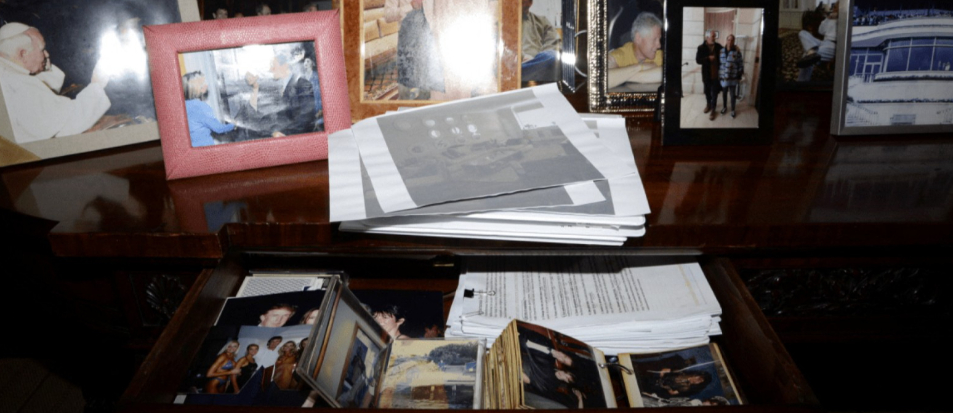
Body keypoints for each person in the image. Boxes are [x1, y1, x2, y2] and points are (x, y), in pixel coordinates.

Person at [0, 22, 111, 144]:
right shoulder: (21, 87)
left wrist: (45, 68)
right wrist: (97, 84)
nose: (46, 54)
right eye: (42, 50)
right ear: (23, 53)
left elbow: (41, 96)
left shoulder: (7, 71)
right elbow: (70, 122)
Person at [245, 50, 317, 137]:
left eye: (273, 65)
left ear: (285, 65)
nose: (270, 69)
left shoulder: (303, 84)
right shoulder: (282, 87)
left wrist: (285, 133)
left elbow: (306, 117)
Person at [395, 0, 444, 100]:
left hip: (426, 40)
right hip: (407, 42)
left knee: (426, 87)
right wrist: (410, 6)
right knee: (406, 85)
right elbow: (388, 15)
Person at [606, 12, 663, 90]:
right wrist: (640, 66)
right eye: (654, 39)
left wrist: (623, 76)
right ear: (638, 38)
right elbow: (604, 79)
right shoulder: (621, 54)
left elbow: (666, 74)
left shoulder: (659, 55)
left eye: (659, 39)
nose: (659, 45)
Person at [182, 71, 234, 147]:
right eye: (203, 83)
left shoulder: (182, 106)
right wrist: (234, 124)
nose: (206, 85)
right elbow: (219, 129)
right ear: (196, 88)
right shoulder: (201, 107)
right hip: (205, 148)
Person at [520, 0, 560, 83]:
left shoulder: (542, 21)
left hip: (539, 65)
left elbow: (553, 44)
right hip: (518, 67)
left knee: (554, 56)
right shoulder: (502, 21)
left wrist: (538, 60)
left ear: (530, 3)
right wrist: (523, 56)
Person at [796, 4, 837, 81]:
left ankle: (801, 83)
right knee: (802, 33)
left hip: (834, 45)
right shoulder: (830, 19)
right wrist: (828, 18)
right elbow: (821, 31)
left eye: (835, 7)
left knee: (806, 57)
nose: (833, 9)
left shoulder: (844, 19)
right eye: (834, 7)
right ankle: (811, 52)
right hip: (824, 42)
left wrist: (839, 17)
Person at [695, 29, 722, 120]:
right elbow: (698, 60)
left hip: (716, 74)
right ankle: (708, 104)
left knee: (714, 92)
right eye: (713, 36)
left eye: (715, 36)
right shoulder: (701, 47)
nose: (714, 38)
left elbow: (727, 50)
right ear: (707, 37)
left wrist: (735, 48)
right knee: (707, 91)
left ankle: (713, 109)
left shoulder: (718, 46)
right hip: (706, 74)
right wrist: (707, 58)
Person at [718, 34, 743, 119]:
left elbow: (740, 64)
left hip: (733, 77)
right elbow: (719, 64)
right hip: (724, 77)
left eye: (732, 40)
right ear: (726, 40)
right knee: (724, 93)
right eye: (728, 39)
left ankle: (733, 110)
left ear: (734, 41)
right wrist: (719, 75)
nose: (730, 41)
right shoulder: (721, 51)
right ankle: (724, 107)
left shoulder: (737, 52)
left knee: (732, 95)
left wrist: (739, 75)